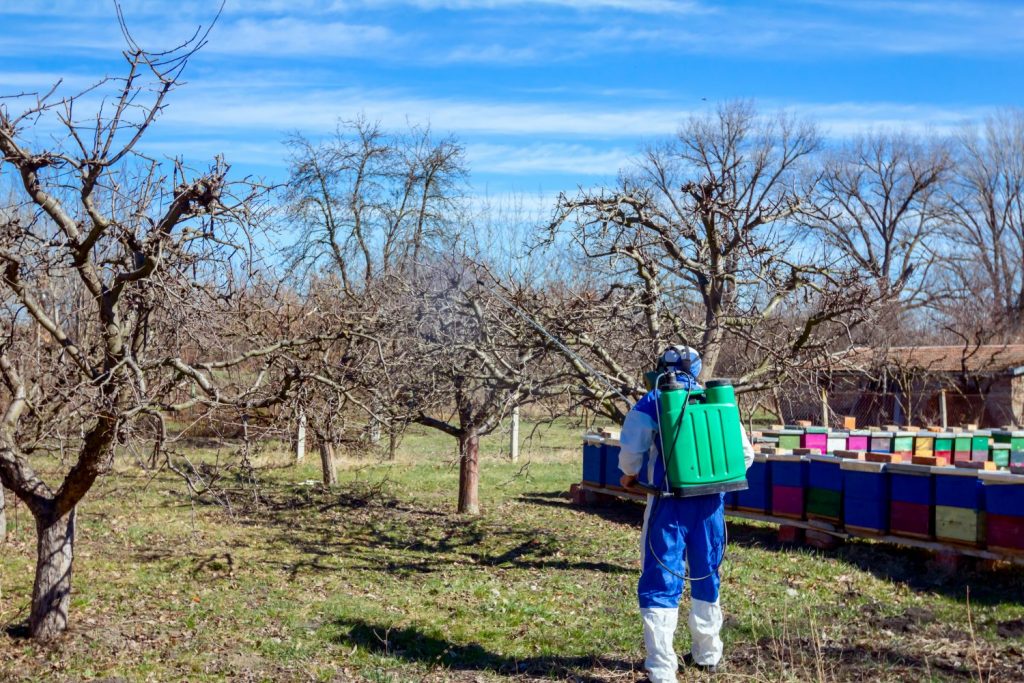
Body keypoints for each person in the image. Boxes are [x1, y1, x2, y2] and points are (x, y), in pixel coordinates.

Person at [618, 345, 754, 681]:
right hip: (711, 507)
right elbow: (745, 457)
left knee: (661, 581)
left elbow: (630, 456)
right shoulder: (717, 401)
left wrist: (629, 476)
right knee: (707, 575)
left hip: (668, 505)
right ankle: (708, 654)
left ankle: (662, 670)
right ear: (697, 369)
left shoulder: (651, 401)